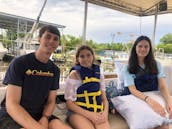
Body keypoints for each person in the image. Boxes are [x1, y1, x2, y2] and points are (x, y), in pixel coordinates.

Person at [0, 25, 71, 129]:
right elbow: (12, 104)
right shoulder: (20, 63)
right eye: (48, 37)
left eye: (55, 39)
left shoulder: (54, 70)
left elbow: (51, 101)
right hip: (12, 116)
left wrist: (45, 117)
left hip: (40, 114)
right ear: (39, 38)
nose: (51, 41)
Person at [122, 35, 172, 129]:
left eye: (146, 46)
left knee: (164, 123)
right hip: (135, 97)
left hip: (153, 95)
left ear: (150, 49)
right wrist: (151, 101)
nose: (143, 49)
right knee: (146, 121)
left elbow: (162, 86)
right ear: (135, 48)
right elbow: (133, 90)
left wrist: (169, 100)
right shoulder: (128, 68)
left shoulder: (157, 64)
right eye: (140, 46)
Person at [64, 45, 110, 129]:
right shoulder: (73, 75)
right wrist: (90, 115)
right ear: (78, 59)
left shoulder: (99, 74)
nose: (86, 59)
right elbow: (69, 104)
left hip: (96, 110)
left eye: (88, 55)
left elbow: (104, 99)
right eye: (82, 56)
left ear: (93, 56)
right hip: (77, 112)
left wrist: (105, 113)